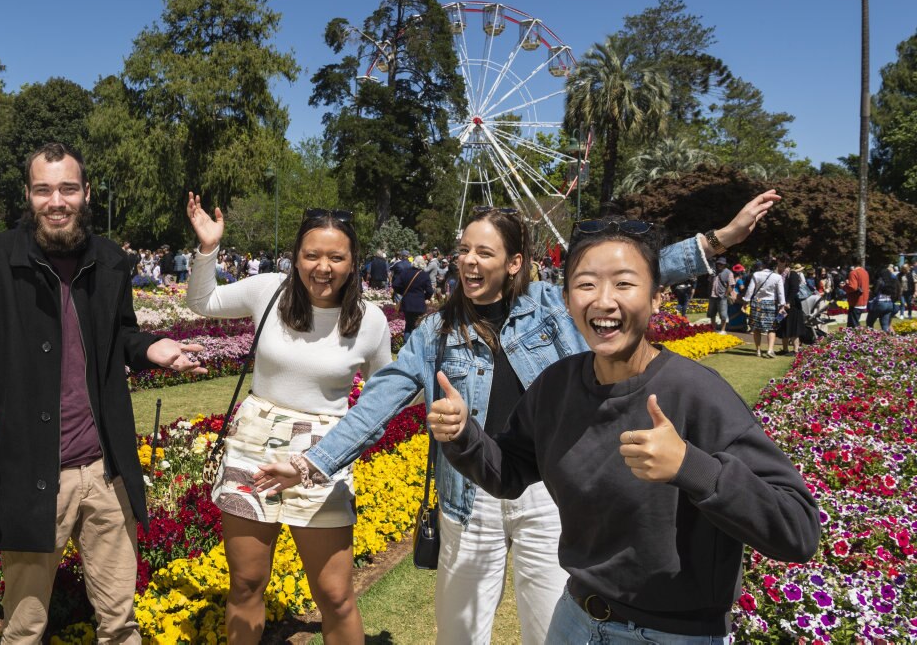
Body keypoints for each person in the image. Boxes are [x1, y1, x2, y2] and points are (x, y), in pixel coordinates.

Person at [254, 192, 782, 645]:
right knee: (460, 629)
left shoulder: (554, 307)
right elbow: (379, 400)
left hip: (549, 489)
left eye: (485, 252)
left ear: (514, 263)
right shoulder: (437, 332)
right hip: (471, 488)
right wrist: (311, 464)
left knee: (551, 619)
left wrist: (720, 238)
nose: (469, 261)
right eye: (463, 250)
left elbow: (637, 270)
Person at [425, 219, 820, 642]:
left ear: (655, 298)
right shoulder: (557, 387)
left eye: (625, 284)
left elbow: (797, 529)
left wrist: (692, 466)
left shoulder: (696, 394)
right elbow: (508, 472)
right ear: (566, 299)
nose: (604, 301)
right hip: (575, 621)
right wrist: (464, 435)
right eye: (587, 284)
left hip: (672, 634)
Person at [0, 142, 204, 642]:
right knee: (25, 627)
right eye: (44, 190)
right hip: (32, 468)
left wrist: (148, 348)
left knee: (120, 623)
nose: (57, 201)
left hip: (105, 468)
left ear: (86, 193)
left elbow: (117, 333)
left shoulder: (111, 259)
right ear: (28, 196)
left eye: (68, 189)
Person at [185, 196, 391, 644]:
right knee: (246, 583)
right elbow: (203, 301)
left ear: (353, 262)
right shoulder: (269, 291)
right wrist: (208, 249)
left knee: (334, 594)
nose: (323, 267)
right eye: (312, 255)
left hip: (323, 454)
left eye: (336, 257)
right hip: (253, 444)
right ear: (295, 257)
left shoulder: (370, 321)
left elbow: (382, 396)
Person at [742, 257, 786, 358]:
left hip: (757, 303)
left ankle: (758, 350)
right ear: (774, 266)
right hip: (771, 303)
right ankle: (770, 350)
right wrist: (782, 306)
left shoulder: (756, 274)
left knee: (756, 327)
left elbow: (750, 290)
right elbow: (780, 293)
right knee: (772, 328)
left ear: (763, 265)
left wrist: (745, 302)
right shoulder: (777, 277)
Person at [393, 254, 434, 343]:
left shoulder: (405, 272)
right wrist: (425, 297)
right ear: (423, 264)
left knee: (408, 325)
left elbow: (395, 284)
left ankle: (406, 345)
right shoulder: (424, 275)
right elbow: (430, 291)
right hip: (419, 304)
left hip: (407, 303)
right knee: (417, 326)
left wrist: (403, 292)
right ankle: (415, 346)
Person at [777, 260, 807, 355]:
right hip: (782, 305)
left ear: (785, 263)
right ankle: (785, 349)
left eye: (779, 263)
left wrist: (788, 301)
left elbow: (795, 289)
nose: (778, 265)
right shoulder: (781, 275)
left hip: (792, 305)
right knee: (783, 326)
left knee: (794, 327)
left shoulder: (792, 274)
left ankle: (795, 350)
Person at [707, 256, 734, 334]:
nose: (719, 265)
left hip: (722, 296)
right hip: (712, 295)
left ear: (724, 264)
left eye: (721, 264)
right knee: (712, 313)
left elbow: (731, 285)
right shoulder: (713, 272)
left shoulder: (729, 272)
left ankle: (723, 330)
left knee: (723, 314)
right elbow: (709, 282)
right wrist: (709, 293)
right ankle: (713, 328)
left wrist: (726, 294)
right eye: (718, 263)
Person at [866, 265, 897, 332]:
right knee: (885, 325)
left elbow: (875, 292)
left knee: (869, 323)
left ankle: (870, 338)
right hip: (889, 303)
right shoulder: (891, 281)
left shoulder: (880, 280)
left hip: (879, 303)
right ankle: (887, 340)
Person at [844, 259, 869, 328]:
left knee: (853, 326)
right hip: (863, 300)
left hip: (855, 301)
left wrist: (844, 287)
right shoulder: (865, 272)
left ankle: (859, 338)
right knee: (853, 324)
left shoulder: (853, 272)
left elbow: (853, 287)